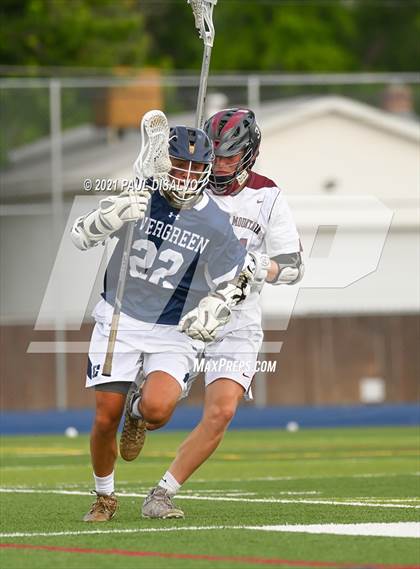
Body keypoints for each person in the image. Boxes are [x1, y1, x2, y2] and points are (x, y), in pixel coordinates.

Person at [70, 124, 267, 522]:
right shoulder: (142, 194)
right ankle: (105, 496)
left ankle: (138, 412)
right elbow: (80, 236)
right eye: (179, 165)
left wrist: (219, 304)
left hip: (172, 327)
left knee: (158, 409)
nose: (187, 176)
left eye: (197, 168)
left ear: (208, 170)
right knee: (105, 417)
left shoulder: (213, 221)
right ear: (164, 163)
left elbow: (239, 277)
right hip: (121, 316)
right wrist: (109, 218)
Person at [138, 108, 304, 519]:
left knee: (222, 410)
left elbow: (293, 266)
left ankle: (161, 494)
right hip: (183, 315)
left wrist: (257, 265)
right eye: (217, 156)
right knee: (158, 411)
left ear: (249, 153)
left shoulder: (268, 196)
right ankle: (137, 411)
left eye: (231, 157)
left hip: (237, 322)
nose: (221, 166)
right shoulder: (190, 186)